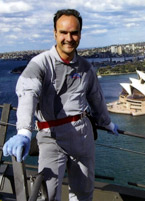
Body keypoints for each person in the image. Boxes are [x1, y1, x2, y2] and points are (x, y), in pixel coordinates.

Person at [3, 9, 119, 201]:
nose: (69, 38)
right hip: (51, 138)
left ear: (80, 34)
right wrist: (24, 131)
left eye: (74, 33)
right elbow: (27, 94)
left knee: (84, 193)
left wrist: (107, 123)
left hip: (82, 135)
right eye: (63, 32)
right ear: (55, 33)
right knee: (48, 194)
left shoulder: (85, 67)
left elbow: (96, 99)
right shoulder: (39, 64)